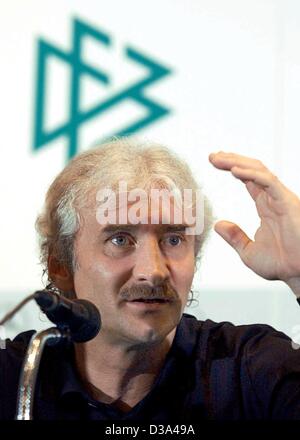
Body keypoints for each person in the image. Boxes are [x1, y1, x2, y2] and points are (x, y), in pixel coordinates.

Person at [1, 138, 300, 421]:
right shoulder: (15, 377)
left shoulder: (251, 368)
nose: (154, 270)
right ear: (61, 266)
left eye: (173, 239)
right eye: (120, 239)